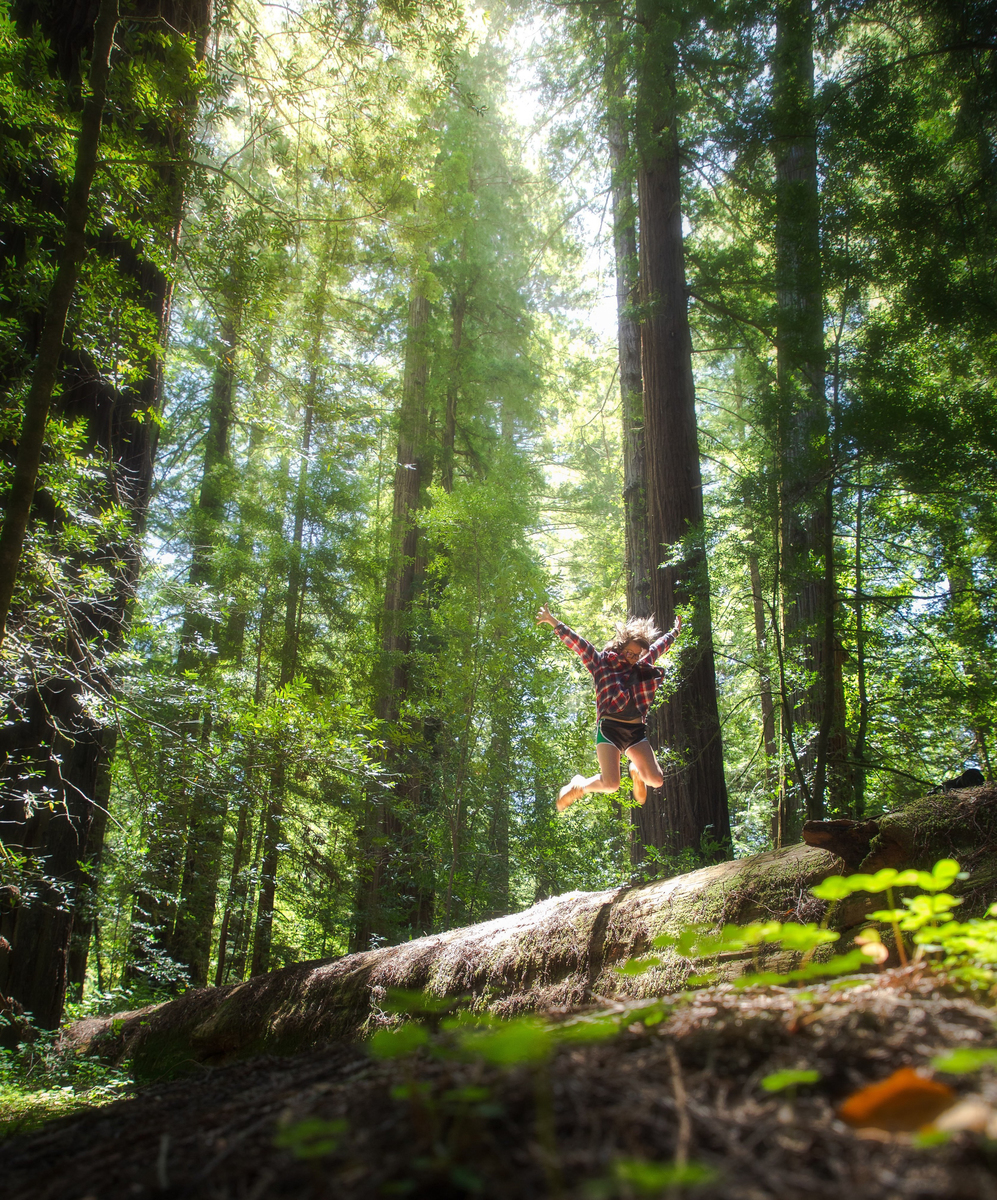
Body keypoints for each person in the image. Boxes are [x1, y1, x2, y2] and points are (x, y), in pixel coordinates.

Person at [536, 603, 681, 811]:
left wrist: (674, 632)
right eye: (630, 653)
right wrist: (553, 621)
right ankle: (579, 786)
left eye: (637, 655)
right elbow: (580, 645)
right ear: (621, 647)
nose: (633, 658)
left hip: (635, 732)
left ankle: (637, 772)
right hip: (610, 730)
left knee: (656, 780)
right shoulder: (602, 663)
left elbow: (659, 647)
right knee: (611, 784)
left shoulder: (641, 666)